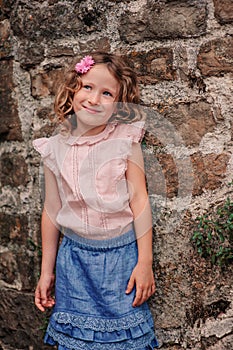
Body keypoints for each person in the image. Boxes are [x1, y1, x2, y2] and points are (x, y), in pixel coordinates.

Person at [33, 51, 159, 349]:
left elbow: (139, 200)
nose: (94, 98)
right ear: (73, 88)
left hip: (121, 260)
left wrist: (145, 262)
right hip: (74, 261)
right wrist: (46, 271)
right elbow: (52, 211)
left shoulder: (125, 140)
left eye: (107, 93)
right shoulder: (54, 148)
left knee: (125, 341)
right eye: (87, 87)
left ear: (118, 103)